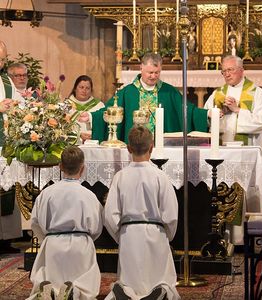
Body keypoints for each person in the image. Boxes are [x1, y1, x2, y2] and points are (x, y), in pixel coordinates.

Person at [104, 126, 180, 300]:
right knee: (161, 282)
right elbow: (171, 214)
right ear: (151, 147)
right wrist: (167, 235)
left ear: (129, 148)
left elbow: (109, 214)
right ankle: (158, 293)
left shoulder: (121, 176)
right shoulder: (160, 176)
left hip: (129, 235)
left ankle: (127, 293)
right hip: (156, 234)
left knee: (130, 282)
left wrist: (120, 235)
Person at [81, 52, 209, 144]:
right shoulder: (128, 92)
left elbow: (188, 110)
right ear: (141, 68)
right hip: (135, 146)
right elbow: (111, 109)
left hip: (162, 146)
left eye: (157, 72)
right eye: (150, 72)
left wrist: (207, 114)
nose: (153, 76)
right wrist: (91, 117)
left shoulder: (169, 91)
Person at [28, 146, 103, 299]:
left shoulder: (47, 193)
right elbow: (96, 226)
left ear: (60, 167)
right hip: (80, 246)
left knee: (45, 274)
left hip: (53, 246)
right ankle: (76, 292)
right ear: (82, 168)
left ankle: (49, 292)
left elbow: (35, 222)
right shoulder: (89, 196)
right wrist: (86, 239)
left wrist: (47, 240)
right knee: (86, 285)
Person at [204, 55, 262, 147]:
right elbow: (205, 119)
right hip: (220, 148)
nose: (227, 74)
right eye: (224, 71)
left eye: (230, 70)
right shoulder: (217, 94)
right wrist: (218, 114)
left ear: (241, 71)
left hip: (247, 150)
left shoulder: (256, 92)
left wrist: (237, 110)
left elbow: (261, 122)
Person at [0, 40, 22, 254]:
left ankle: (6, 237)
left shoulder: (7, 81)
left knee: (6, 188)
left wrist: (15, 105)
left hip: (6, 144)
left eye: (4, 59)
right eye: (0, 59)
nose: (2, 63)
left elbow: (19, 104)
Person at [68, 75, 104, 143]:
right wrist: (79, 135)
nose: (84, 90)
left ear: (91, 90)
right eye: (81, 87)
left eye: (87, 88)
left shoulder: (99, 106)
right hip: (73, 145)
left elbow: (103, 126)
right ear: (75, 89)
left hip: (94, 143)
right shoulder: (67, 106)